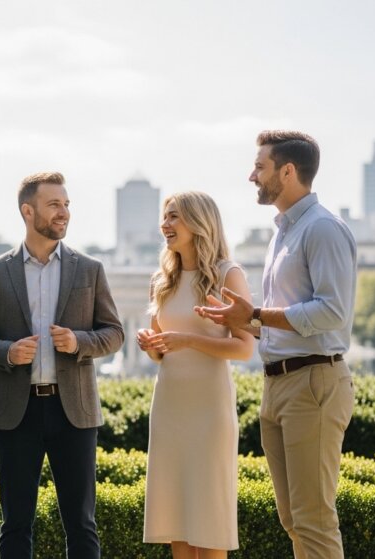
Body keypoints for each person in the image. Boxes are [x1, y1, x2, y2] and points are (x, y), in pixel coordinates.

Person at [196, 131, 357, 559]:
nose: (252, 175)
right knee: (293, 519)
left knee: (314, 519)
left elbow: (331, 312)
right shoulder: (284, 234)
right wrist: (236, 321)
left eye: (260, 167)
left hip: (313, 382)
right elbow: (281, 321)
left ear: (288, 172)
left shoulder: (322, 229)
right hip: (280, 383)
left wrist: (254, 316)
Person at [0, 171, 124, 559]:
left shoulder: (89, 269)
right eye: (54, 205)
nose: (64, 212)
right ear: (27, 210)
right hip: (17, 413)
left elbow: (114, 332)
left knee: (81, 524)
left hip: (75, 413)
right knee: (16, 524)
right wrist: (6, 352)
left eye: (66, 205)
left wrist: (79, 342)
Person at [137, 191, 255, 559]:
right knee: (176, 520)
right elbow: (162, 351)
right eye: (164, 217)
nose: (165, 225)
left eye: (174, 217)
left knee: (208, 520)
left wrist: (188, 340)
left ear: (198, 222)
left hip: (209, 411)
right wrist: (152, 346)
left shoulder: (227, 275)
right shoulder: (163, 280)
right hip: (170, 407)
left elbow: (245, 348)